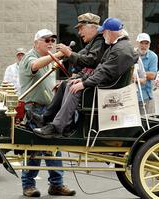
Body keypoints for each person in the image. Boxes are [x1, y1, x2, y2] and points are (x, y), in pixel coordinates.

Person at [34, 18, 138, 138]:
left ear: (109, 32)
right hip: (106, 87)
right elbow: (100, 68)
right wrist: (83, 79)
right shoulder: (118, 47)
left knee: (75, 89)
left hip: (109, 92)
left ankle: (58, 127)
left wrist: (84, 83)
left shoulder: (120, 49)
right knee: (71, 84)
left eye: (103, 32)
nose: (102, 34)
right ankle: (61, 124)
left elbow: (104, 72)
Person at [19, 29, 76, 197]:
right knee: (34, 147)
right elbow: (34, 66)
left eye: (52, 39)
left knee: (53, 147)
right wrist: (58, 54)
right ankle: (28, 185)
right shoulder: (30, 57)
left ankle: (56, 184)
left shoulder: (49, 59)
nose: (50, 42)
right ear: (36, 42)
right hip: (33, 108)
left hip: (48, 108)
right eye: (46, 40)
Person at [35, 13, 109, 125]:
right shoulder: (93, 42)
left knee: (71, 86)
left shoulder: (100, 41)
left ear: (93, 27)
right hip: (91, 79)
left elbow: (91, 61)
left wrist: (68, 52)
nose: (79, 33)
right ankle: (46, 118)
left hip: (98, 85)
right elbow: (80, 57)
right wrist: (65, 55)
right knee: (65, 83)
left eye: (81, 28)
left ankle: (60, 125)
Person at [135, 33, 158, 115]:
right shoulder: (131, 54)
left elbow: (152, 75)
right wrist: (143, 75)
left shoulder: (153, 56)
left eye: (146, 43)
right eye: (141, 43)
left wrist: (136, 74)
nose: (144, 46)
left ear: (149, 44)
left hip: (145, 95)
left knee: (145, 121)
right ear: (137, 43)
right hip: (131, 95)